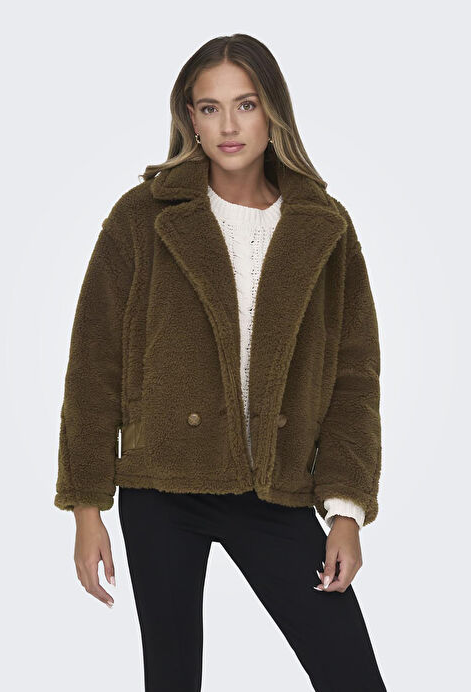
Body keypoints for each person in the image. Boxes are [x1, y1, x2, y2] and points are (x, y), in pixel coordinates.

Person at [54, 33, 387, 691]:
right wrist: (87, 508)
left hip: (274, 488)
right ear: (191, 117)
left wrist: (345, 511)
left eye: (246, 104)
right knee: (172, 677)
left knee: (350, 673)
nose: (229, 126)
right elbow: (93, 364)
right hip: (161, 485)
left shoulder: (324, 226)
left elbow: (354, 377)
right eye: (210, 108)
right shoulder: (143, 216)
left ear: (273, 112)